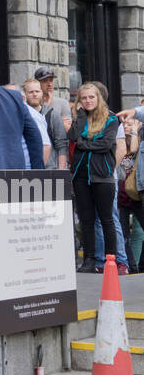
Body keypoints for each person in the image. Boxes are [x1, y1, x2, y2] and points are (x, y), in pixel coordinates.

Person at [70, 82, 121, 273]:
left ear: (98, 98)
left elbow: (106, 145)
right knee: (86, 219)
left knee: (106, 219)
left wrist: (83, 144)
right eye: (84, 98)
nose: (88, 100)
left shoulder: (111, 119)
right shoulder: (80, 117)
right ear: (79, 101)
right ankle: (89, 260)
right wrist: (81, 117)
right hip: (81, 176)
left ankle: (111, 260)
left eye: (91, 97)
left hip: (102, 176)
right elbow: (73, 136)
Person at [116, 115, 142, 274]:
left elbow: (133, 149)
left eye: (129, 124)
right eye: (123, 124)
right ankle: (131, 265)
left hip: (135, 193)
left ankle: (136, 265)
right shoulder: (117, 140)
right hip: (120, 195)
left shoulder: (137, 139)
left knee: (139, 232)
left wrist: (134, 132)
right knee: (123, 233)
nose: (125, 126)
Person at [35, 66, 73, 137]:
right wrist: (59, 121)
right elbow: (37, 127)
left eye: (51, 80)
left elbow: (68, 129)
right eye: (45, 81)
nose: (49, 84)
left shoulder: (62, 103)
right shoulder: (34, 103)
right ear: (37, 84)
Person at [22, 79, 52, 167]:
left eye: (37, 91)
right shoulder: (25, 112)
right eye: (31, 92)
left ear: (42, 93)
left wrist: (38, 171)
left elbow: (47, 145)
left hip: (42, 168)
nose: (34, 94)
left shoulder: (50, 114)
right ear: (25, 95)